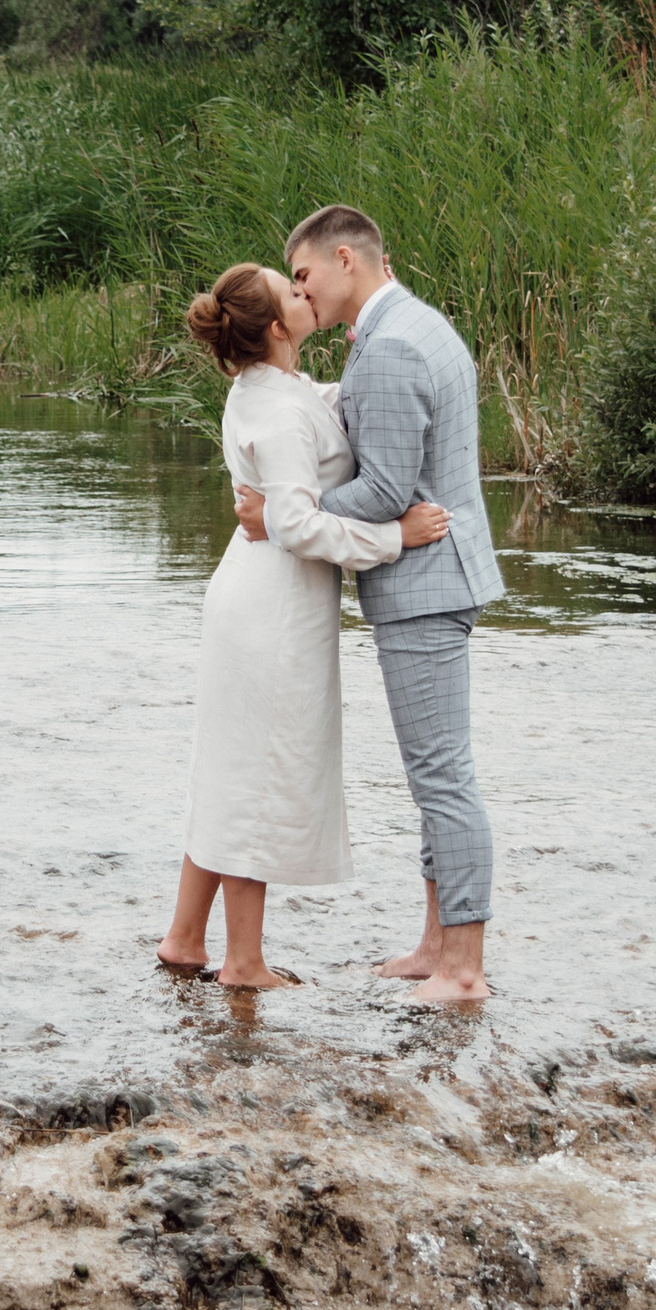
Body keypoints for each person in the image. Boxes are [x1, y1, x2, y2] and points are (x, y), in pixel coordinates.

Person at [235, 205, 506, 1002]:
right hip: (443, 576)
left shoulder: (387, 349)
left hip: (426, 587)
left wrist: (286, 511)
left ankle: (462, 965)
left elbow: (388, 488)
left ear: (346, 259)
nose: (302, 293)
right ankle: (435, 942)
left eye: (306, 276)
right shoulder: (418, 324)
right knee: (436, 773)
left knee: (442, 776)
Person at [158, 263, 452, 990]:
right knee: (256, 774)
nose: (305, 290)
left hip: (252, 595)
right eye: (291, 291)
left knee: (227, 767)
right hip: (273, 610)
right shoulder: (280, 410)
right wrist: (397, 538)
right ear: (279, 328)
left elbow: (326, 411)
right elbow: (295, 525)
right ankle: (245, 962)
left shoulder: (266, 389)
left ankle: (186, 937)